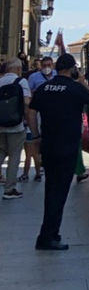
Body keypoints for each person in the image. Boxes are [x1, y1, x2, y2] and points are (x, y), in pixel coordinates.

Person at [29, 53, 89, 251]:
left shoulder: (44, 88)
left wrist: (35, 135)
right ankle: (48, 236)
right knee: (59, 192)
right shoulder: (75, 88)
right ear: (72, 69)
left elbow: (32, 110)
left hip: (48, 145)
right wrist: (83, 82)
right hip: (67, 146)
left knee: (51, 189)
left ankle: (48, 234)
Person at [0, 57, 37, 199]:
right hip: (16, 126)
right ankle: (10, 189)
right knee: (14, 156)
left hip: (0, 124)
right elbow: (27, 104)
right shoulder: (21, 82)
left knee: (1, 152)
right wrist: (30, 124)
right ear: (18, 69)